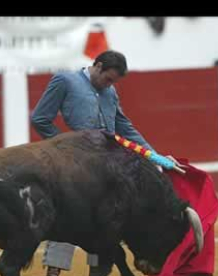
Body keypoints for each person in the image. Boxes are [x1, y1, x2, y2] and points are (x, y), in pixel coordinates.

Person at [31, 50, 161, 276]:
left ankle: (97, 271)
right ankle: (54, 272)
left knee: (103, 222)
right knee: (66, 216)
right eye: (108, 79)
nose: (109, 85)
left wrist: (153, 156)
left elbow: (124, 127)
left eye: (113, 82)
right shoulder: (65, 80)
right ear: (98, 66)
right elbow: (40, 118)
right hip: (74, 166)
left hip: (106, 168)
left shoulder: (110, 92)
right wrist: (66, 146)